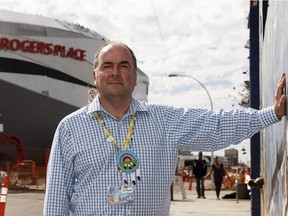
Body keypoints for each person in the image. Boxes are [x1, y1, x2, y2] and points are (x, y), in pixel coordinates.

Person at [43, 41, 286, 215]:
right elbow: (56, 199)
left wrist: (272, 113)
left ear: (135, 77)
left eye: (124, 66)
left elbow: (217, 125)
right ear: (95, 75)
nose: (115, 72)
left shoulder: (165, 121)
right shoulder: (70, 128)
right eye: (107, 66)